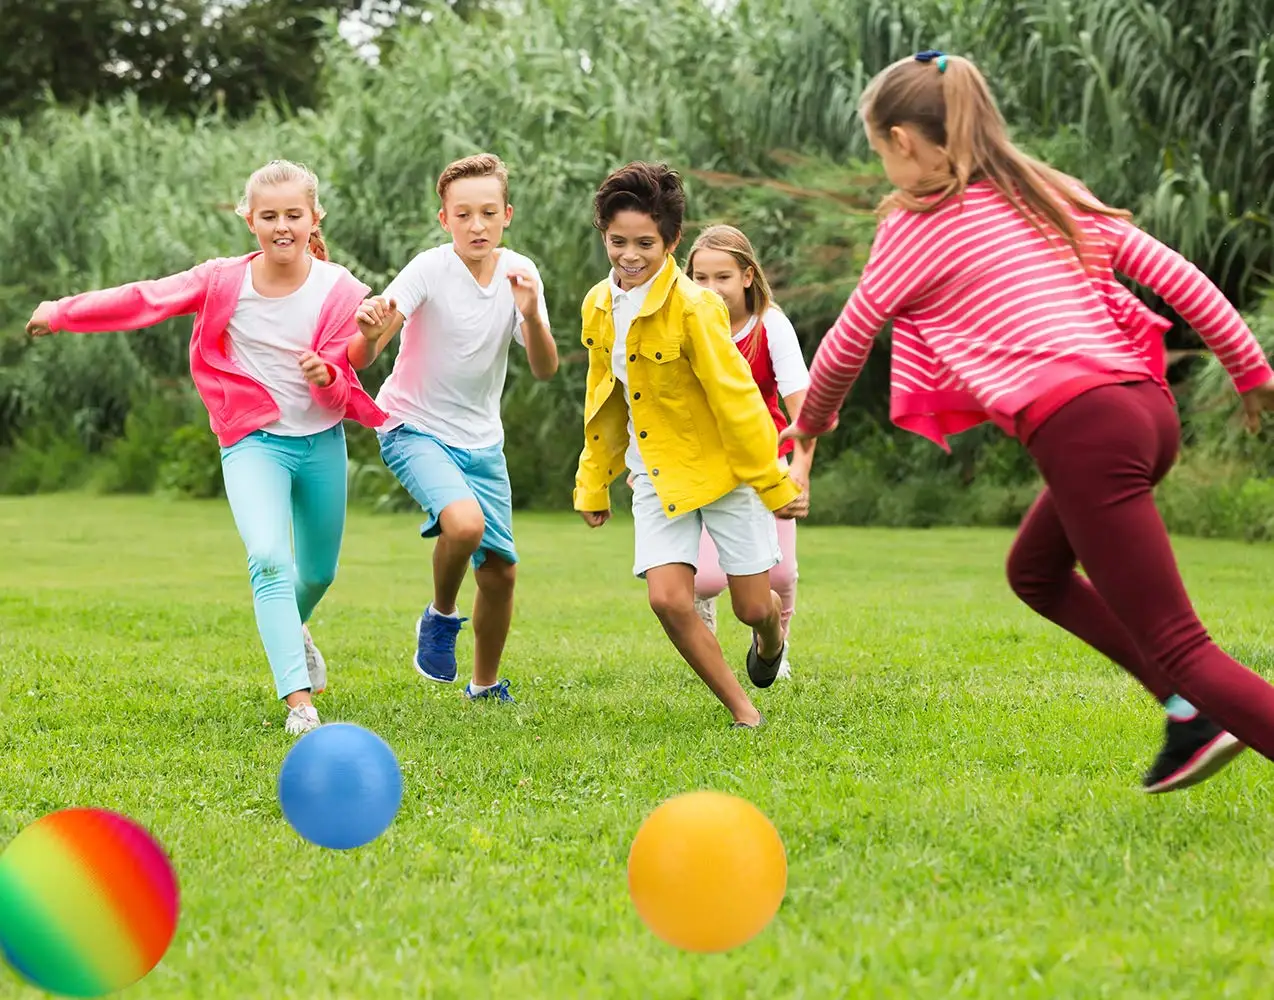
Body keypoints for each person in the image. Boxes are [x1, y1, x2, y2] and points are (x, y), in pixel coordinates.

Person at [782, 50, 1274, 793]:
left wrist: (808, 430)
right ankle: (1189, 714)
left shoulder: (914, 231)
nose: (884, 167)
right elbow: (1176, 275)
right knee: (1035, 572)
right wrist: (1251, 371)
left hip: (1084, 430)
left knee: (1181, 642)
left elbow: (849, 341)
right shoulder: (1048, 193)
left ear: (903, 141)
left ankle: (1199, 698)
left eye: (879, 151)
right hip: (1145, 408)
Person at [26, 159, 387, 735]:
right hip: (252, 443)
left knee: (317, 574)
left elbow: (353, 362)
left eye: (294, 214)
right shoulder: (222, 280)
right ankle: (300, 704)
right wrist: (62, 312)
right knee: (269, 559)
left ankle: (293, 628)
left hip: (319, 441)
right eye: (269, 216)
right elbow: (145, 299)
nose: (282, 226)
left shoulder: (340, 288)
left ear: (315, 217)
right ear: (250, 220)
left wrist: (340, 361)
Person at [574, 161, 807, 729]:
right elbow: (604, 399)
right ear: (603, 235)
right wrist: (593, 480)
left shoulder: (698, 308)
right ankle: (743, 710)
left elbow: (738, 401)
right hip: (654, 471)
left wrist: (775, 484)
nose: (630, 255)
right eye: (618, 241)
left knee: (753, 605)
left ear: (672, 241)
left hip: (723, 473)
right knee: (669, 599)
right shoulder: (598, 306)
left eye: (646, 243)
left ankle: (770, 638)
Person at [349, 153, 557, 704]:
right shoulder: (428, 269)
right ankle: (440, 615)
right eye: (463, 214)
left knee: (501, 575)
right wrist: (370, 332)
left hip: (483, 442)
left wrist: (532, 315)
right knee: (462, 526)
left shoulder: (521, 272)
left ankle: (484, 685)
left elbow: (544, 368)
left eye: (488, 212)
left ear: (506, 214)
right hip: (411, 426)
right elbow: (365, 354)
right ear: (445, 219)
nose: (477, 225)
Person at [685, 224, 817, 678]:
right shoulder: (684, 324)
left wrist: (800, 469)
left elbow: (805, 411)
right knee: (703, 579)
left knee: (778, 578)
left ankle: (773, 643)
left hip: (765, 462)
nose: (710, 289)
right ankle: (703, 627)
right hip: (701, 464)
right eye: (700, 278)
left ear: (746, 276)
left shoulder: (771, 326)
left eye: (722, 277)